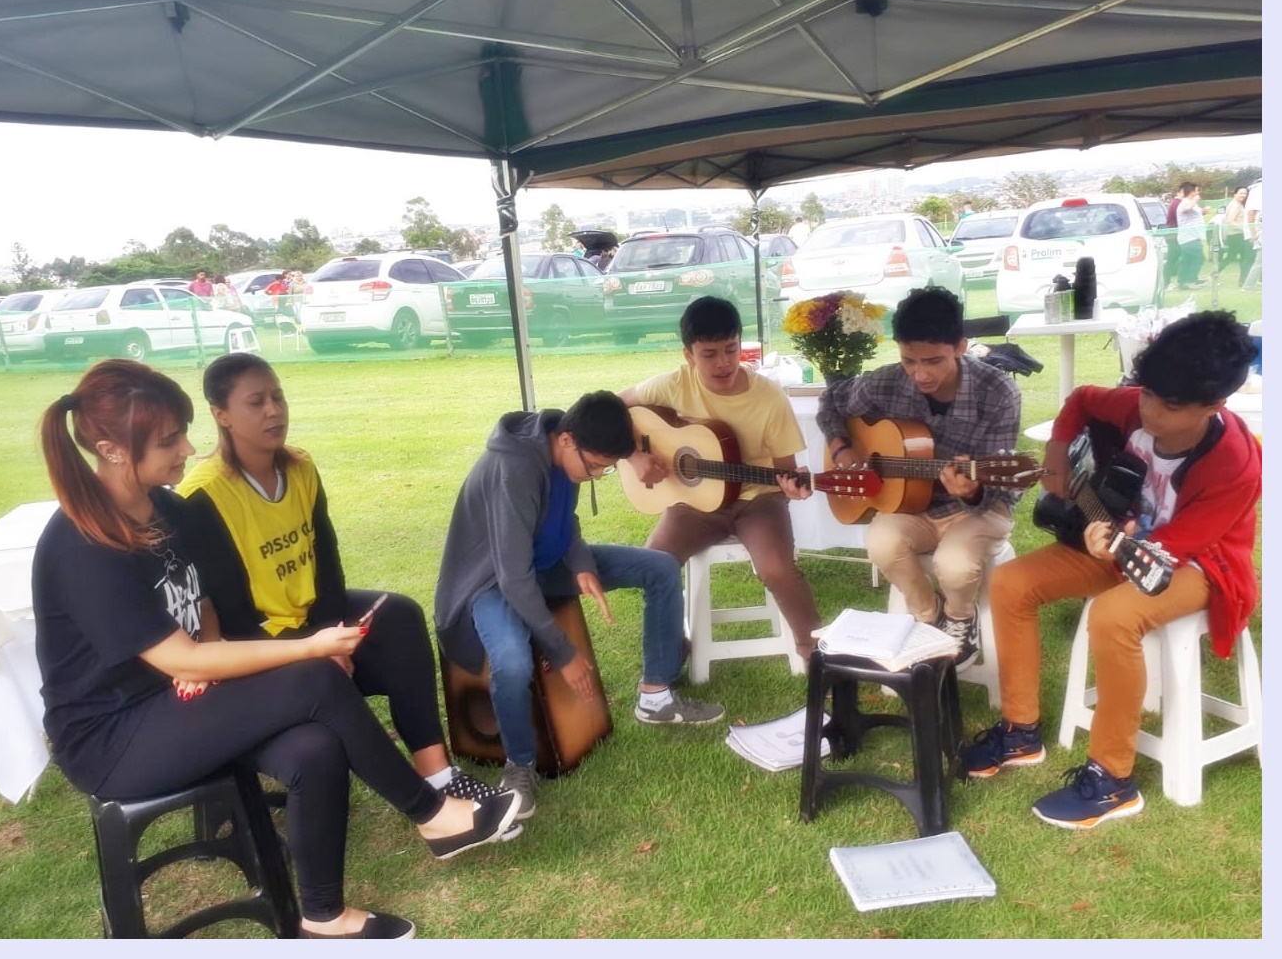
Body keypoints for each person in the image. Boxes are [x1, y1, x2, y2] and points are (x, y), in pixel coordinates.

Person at [31, 360, 521, 941]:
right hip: (113, 736)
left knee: (314, 745)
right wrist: (304, 648)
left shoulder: (167, 511)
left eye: (183, 432)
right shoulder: (81, 544)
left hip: (178, 700)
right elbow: (177, 659)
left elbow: (204, 603)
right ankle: (432, 813)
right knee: (314, 677)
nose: (187, 448)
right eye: (168, 441)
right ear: (111, 450)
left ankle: (323, 917)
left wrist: (212, 650)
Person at [176, 353, 517, 826]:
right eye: (256, 402)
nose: (274, 410)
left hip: (312, 625)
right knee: (321, 674)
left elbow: (326, 562)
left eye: (278, 397)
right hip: (255, 644)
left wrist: (332, 633)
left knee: (399, 616)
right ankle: (430, 811)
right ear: (221, 414)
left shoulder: (300, 467)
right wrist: (315, 650)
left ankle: (437, 775)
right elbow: (229, 611)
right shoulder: (202, 496)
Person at [961, 311, 1260, 829]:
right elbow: (1081, 401)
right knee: (1011, 582)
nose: (1149, 412)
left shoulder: (1236, 462)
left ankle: (1113, 780)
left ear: (1215, 405)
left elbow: (1180, 544)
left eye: (1169, 406)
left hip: (1198, 564)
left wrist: (1118, 544)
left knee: (1113, 616)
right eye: (1147, 394)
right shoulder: (1136, 405)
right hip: (1122, 542)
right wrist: (1058, 455)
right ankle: (1020, 730)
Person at [434, 390, 724, 818]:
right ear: (568, 440)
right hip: (489, 580)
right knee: (512, 661)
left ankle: (656, 696)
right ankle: (519, 766)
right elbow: (514, 577)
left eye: (606, 469)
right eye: (596, 467)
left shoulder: (562, 447)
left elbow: (563, 520)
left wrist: (582, 564)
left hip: (543, 563)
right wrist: (563, 653)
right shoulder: (514, 468)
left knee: (660, 568)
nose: (596, 476)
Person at [815, 287, 1023, 664]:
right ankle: (928, 617)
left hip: (980, 508)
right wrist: (841, 448)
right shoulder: (888, 382)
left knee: (954, 565)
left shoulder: (998, 392)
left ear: (960, 346)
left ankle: (960, 619)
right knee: (881, 542)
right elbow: (831, 400)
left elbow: (995, 490)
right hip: (914, 506)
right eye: (909, 360)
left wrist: (972, 491)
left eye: (933, 361)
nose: (920, 374)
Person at [618, 296, 821, 662]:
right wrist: (634, 455)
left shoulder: (768, 397)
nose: (724, 363)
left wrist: (793, 487)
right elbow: (614, 406)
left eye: (731, 349)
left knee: (776, 568)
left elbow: (786, 469)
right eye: (709, 354)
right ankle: (671, 650)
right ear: (689, 355)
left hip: (758, 499)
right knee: (653, 564)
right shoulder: (673, 385)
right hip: (694, 506)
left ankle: (816, 653)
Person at [1218, 186, 1255, 287]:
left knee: (1243, 257)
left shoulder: (1238, 204)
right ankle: (1213, 274)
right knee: (1233, 257)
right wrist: (1244, 228)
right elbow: (1230, 220)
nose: (1243, 195)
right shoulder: (1235, 205)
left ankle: (1243, 281)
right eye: (1241, 193)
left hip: (1238, 235)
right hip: (1235, 235)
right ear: (1235, 194)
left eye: (1245, 193)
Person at [1174, 183, 1207, 291]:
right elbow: (1186, 209)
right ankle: (1190, 281)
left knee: (1187, 260)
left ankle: (1183, 281)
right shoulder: (1185, 202)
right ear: (1191, 192)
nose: (1198, 193)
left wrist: (1204, 211)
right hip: (1189, 237)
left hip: (1193, 236)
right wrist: (1195, 200)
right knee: (1198, 258)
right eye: (1196, 190)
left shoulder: (1191, 203)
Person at [1242, 179, 1263, 291]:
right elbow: (1251, 216)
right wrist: (1253, 234)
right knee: (1259, 261)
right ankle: (1248, 286)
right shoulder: (1258, 193)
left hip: (1259, 233)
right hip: (1261, 234)